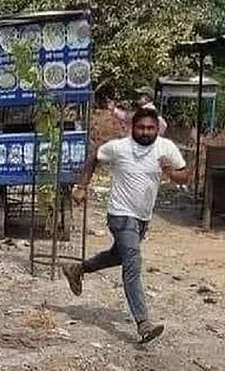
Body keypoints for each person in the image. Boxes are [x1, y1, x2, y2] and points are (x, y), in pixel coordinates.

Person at [62, 107, 189, 343]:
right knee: (132, 260)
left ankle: (78, 269)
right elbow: (95, 157)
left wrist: (171, 172)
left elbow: (185, 175)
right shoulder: (119, 148)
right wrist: (81, 186)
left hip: (143, 217)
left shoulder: (166, 148)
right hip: (120, 214)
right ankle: (143, 323)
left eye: (150, 128)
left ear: (157, 129)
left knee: (118, 255)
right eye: (141, 127)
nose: (145, 132)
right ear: (132, 128)